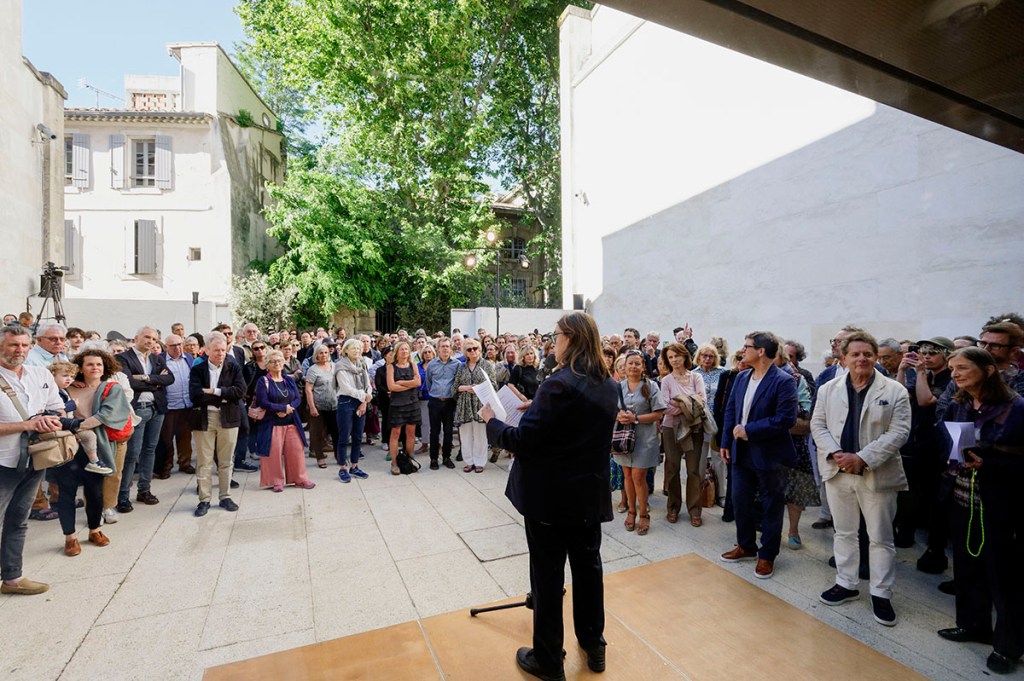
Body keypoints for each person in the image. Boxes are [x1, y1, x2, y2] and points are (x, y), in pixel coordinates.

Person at [481, 312, 618, 680]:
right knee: (588, 570)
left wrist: (492, 422)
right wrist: (537, 408)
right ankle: (594, 643)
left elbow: (523, 441)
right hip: (587, 494)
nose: (551, 341)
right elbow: (576, 426)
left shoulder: (558, 384)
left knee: (547, 576)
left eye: (555, 335)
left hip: (551, 498)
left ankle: (548, 659)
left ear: (570, 337)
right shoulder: (608, 383)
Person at [812, 331, 911, 627]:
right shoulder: (828, 389)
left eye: (867, 354)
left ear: (876, 357)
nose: (861, 359)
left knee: (881, 537)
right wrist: (837, 453)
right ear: (843, 358)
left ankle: (881, 593)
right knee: (844, 532)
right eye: (855, 354)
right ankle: (846, 583)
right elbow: (818, 425)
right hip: (838, 471)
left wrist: (863, 458)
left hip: (876, 473)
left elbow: (899, 432)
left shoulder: (894, 390)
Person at [936, 347, 1024, 675]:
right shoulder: (958, 403)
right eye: (952, 368)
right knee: (966, 565)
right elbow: (947, 440)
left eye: (962, 367)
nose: (955, 374)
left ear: (987, 370)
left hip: (999, 503)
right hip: (961, 495)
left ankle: (1008, 647)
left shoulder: (1016, 407)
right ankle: (973, 625)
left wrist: (989, 462)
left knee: (1003, 577)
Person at [719, 331, 798, 580]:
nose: (743, 350)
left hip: (770, 454)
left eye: (747, 346)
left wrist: (749, 430)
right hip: (740, 451)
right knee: (740, 500)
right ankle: (746, 546)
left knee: (771, 506)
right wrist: (726, 441)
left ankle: (767, 555)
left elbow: (786, 419)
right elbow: (731, 410)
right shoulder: (742, 377)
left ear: (761, 351)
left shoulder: (784, 381)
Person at [0, 325, 63, 595]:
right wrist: (28, 424)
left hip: (34, 459)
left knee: (19, 519)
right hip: (2, 461)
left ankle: (12, 578)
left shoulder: (40, 374)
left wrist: (50, 419)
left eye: (24, 345)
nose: (20, 350)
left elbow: (58, 407)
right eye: (13, 345)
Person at [59, 348, 134, 555]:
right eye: (90, 364)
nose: (95, 368)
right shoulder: (66, 388)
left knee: (94, 491)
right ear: (80, 368)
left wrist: (75, 426)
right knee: (66, 492)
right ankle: (70, 537)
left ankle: (94, 530)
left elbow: (105, 415)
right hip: (69, 446)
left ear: (105, 367)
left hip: (95, 447)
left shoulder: (112, 388)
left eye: (99, 364)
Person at [116, 327, 174, 511]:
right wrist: (155, 382)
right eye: (147, 337)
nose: (150, 341)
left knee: (150, 450)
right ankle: (122, 496)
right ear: (136, 338)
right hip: (137, 410)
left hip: (157, 408)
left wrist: (145, 378)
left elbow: (169, 379)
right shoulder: (123, 358)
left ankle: (144, 490)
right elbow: (129, 382)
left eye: (154, 339)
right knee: (132, 453)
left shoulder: (157, 358)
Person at [188, 332, 245, 516]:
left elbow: (240, 392)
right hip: (204, 418)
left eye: (223, 349)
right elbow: (195, 395)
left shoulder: (233, 366)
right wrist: (225, 395)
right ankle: (204, 500)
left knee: (226, 460)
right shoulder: (198, 369)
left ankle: (225, 496)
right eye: (216, 350)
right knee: (204, 462)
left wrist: (214, 391)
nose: (220, 353)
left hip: (228, 418)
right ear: (206, 350)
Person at [614, 350, 666, 536]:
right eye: (630, 363)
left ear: (643, 366)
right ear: (624, 366)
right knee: (627, 475)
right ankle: (631, 511)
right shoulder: (618, 387)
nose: (633, 366)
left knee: (638, 476)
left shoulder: (651, 386)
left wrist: (635, 418)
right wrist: (618, 415)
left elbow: (659, 413)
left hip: (645, 438)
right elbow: (611, 409)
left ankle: (643, 514)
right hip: (623, 439)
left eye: (637, 363)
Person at [660, 343, 707, 527]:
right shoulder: (666, 380)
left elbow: (701, 401)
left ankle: (695, 510)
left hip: (694, 428)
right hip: (671, 428)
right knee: (672, 468)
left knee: (694, 470)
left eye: (676, 356)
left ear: (685, 356)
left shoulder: (696, 377)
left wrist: (678, 402)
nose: (674, 360)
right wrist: (688, 404)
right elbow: (665, 406)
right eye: (670, 357)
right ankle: (673, 507)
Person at [254, 350, 315, 492]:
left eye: (280, 361)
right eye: (273, 361)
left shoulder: (288, 380)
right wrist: (280, 408)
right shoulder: (263, 381)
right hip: (272, 424)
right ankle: (276, 481)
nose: (277, 363)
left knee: (297, 451)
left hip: (291, 421)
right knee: (273, 454)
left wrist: (288, 409)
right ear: (267, 365)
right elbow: (263, 402)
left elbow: (298, 398)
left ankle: (300, 479)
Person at [453, 339, 496, 473]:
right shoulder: (461, 366)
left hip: (480, 403)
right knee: (465, 434)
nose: (472, 351)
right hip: (464, 404)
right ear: (465, 352)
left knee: (480, 434)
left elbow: (494, 385)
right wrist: (466, 388)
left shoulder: (487, 365)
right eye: (469, 349)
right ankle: (469, 461)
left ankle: (480, 462)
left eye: (475, 348)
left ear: (479, 349)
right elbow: (455, 386)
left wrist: (478, 388)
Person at [155, 334, 194, 478]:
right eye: (173, 346)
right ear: (166, 347)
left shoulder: (189, 358)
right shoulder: (159, 360)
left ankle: (185, 463)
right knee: (166, 439)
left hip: (186, 405)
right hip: (169, 406)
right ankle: (166, 467)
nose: (177, 348)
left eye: (179, 344)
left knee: (185, 437)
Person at [333, 338, 372, 482]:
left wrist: (365, 400)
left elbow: (368, 385)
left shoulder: (361, 364)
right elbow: (346, 388)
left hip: (361, 402)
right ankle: (343, 467)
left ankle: (354, 466)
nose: (357, 351)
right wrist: (364, 396)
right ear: (346, 350)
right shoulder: (340, 366)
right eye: (354, 348)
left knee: (358, 436)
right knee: (344, 437)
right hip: (346, 402)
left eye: (359, 348)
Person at [385, 341, 422, 475]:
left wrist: (401, 383)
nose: (404, 351)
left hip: (412, 403)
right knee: (395, 433)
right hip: (397, 404)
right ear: (397, 352)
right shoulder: (391, 367)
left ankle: (409, 459)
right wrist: (410, 385)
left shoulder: (413, 365)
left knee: (411, 433)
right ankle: (394, 462)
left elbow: (418, 382)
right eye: (402, 349)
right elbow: (391, 387)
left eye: (406, 349)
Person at [425, 338, 459, 470]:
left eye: (447, 346)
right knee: (434, 432)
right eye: (442, 346)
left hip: (449, 402)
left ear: (451, 349)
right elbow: (428, 382)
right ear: (438, 349)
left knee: (448, 431)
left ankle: (446, 457)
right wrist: (436, 393)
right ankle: (433, 458)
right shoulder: (431, 365)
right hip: (435, 401)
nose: (445, 348)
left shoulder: (457, 364)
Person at [304, 344, 337, 470]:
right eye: (321, 353)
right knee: (317, 433)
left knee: (336, 432)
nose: (324, 355)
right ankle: (320, 457)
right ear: (316, 355)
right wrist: (312, 407)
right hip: (318, 406)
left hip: (334, 405)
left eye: (326, 352)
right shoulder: (313, 370)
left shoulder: (334, 366)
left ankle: (338, 455)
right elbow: (308, 389)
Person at [416, 343, 436, 455]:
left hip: (436, 397)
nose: (427, 354)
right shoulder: (418, 366)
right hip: (423, 397)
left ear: (433, 353)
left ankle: (439, 443)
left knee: (437, 422)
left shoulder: (437, 364)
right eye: (425, 352)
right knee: (424, 422)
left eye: (429, 352)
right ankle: (425, 443)